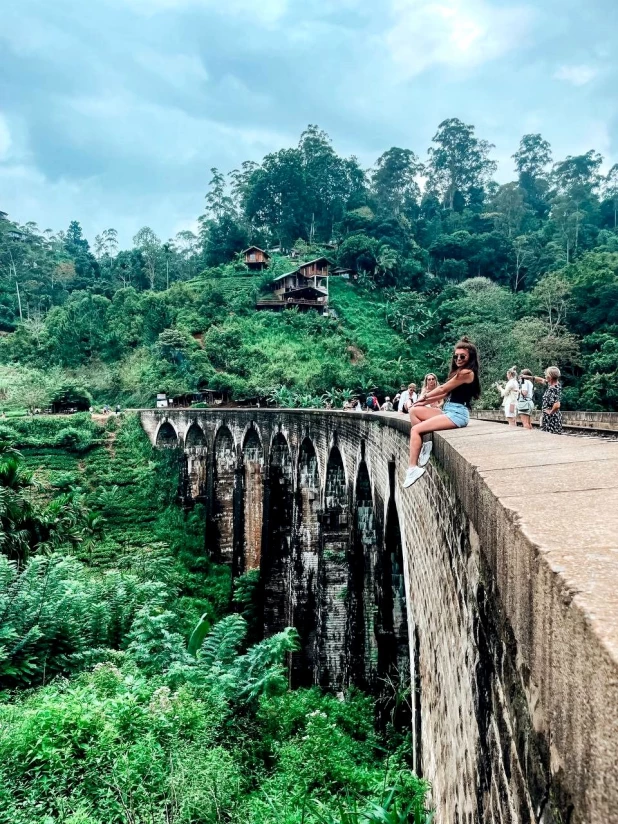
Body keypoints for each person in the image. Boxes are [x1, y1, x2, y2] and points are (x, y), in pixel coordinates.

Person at [403, 337, 481, 488]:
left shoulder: (467, 373)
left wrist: (425, 396)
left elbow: (443, 389)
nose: (458, 358)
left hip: (457, 415)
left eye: (462, 356)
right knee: (414, 411)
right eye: (456, 356)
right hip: (448, 410)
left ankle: (412, 468)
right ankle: (426, 444)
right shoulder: (458, 372)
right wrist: (422, 403)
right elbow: (444, 395)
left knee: (416, 429)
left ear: (470, 357)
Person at [534, 366, 563, 434]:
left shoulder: (553, 389)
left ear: (550, 377)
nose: (545, 376)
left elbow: (557, 405)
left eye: (546, 375)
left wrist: (550, 412)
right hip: (549, 418)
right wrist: (529, 377)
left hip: (551, 419)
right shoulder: (555, 384)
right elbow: (541, 380)